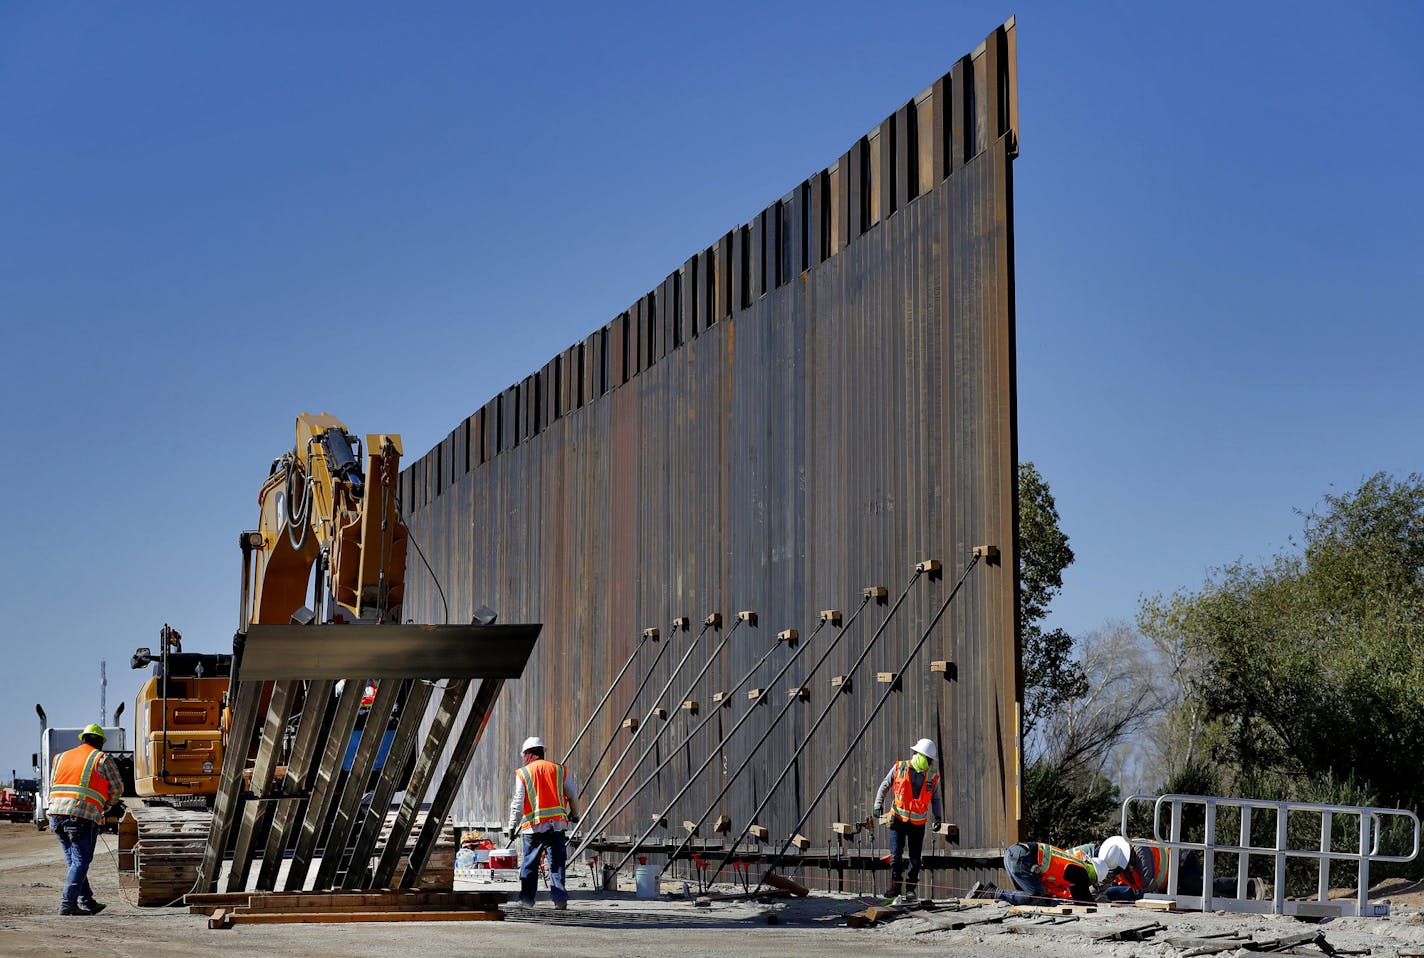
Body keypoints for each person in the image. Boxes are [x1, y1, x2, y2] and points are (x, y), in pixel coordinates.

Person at [47, 724, 124, 916]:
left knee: (73, 861)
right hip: (81, 815)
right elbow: (117, 788)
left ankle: (87, 901)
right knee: (81, 861)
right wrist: (106, 806)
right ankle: (67, 904)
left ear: (83, 739)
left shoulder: (60, 757)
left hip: (56, 814)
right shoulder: (101, 758)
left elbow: (53, 784)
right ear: (98, 741)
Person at [505, 735, 579, 910]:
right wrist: (575, 814)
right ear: (541, 752)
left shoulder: (524, 773)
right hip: (556, 826)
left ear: (528, 754)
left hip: (533, 828)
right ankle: (560, 900)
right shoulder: (558, 770)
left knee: (530, 864)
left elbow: (517, 802)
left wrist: (511, 825)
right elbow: (572, 794)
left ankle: (527, 901)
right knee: (557, 865)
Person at [872, 737, 944, 905]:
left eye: (930, 760)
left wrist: (938, 817)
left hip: (918, 824)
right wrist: (877, 804)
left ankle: (911, 889)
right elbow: (885, 784)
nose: (930, 762)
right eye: (928, 759)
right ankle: (895, 889)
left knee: (915, 860)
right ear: (919, 755)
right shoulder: (900, 767)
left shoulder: (931, 776)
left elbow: (936, 799)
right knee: (895, 856)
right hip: (898, 819)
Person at [978, 837, 1130, 904]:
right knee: (1035, 897)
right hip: (1023, 858)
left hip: (1016, 852)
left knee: (1026, 899)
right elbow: (1083, 900)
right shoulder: (1080, 874)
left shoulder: (1076, 862)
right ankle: (992, 893)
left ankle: (982, 892)